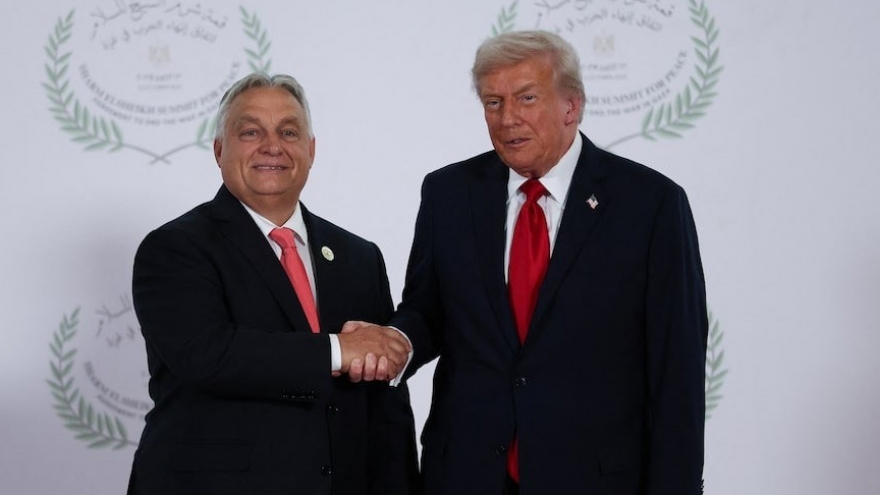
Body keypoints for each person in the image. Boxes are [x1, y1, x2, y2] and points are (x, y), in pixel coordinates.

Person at [346, 30, 708, 494]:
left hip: (593, 479)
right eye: (493, 102)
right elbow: (428, 310)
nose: (508, 118)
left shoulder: (649, 204)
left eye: (527, 98)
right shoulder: (448, 193)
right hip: (466, 475)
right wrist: (396, 340)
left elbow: (676, 370)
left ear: (571, 106)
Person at [126, 72, 418, 495]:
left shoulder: (359, 256)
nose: (272, 146)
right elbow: (207, 356)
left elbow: (385, 407)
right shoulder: (175, 247)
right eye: (250, 132)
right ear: (219, 149)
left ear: (311, 150)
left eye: (288, 132)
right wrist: (339, 349)